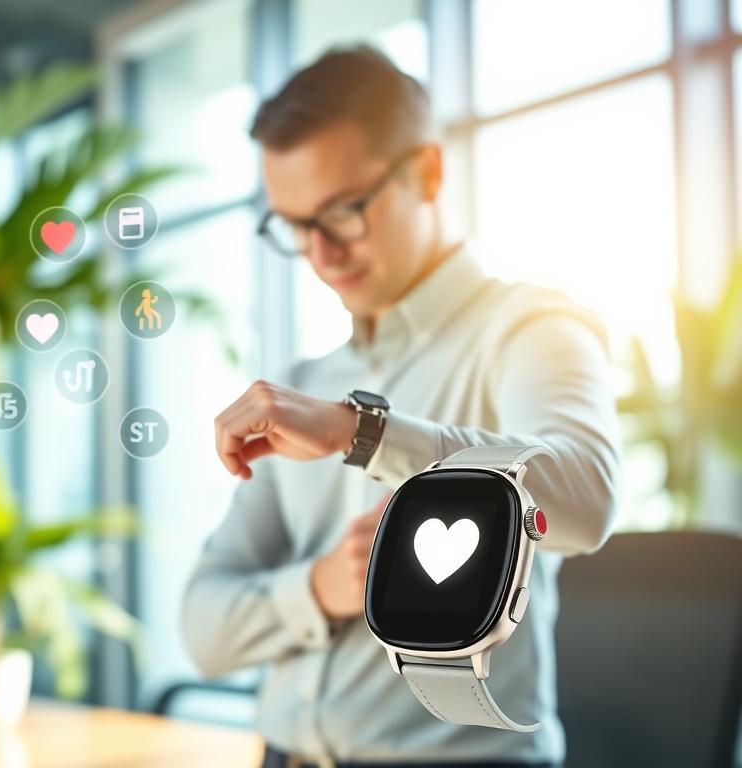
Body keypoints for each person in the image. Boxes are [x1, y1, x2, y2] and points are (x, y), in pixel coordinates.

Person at [181, 45, 621, 768]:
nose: (322, 254)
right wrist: (320, 588)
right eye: (295, 226)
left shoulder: (531, 330)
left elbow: (587, 499)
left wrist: (362, 432)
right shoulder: (302, 384)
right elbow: (202, 632)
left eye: (344, 212)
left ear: (429, 171)